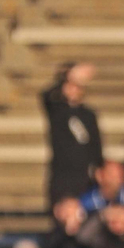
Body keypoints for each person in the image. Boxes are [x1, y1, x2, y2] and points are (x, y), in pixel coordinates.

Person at [43, 62, 102, 205]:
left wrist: (99, 167)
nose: (73, 90)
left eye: (77, 86)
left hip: (84, 176)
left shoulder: (88, 115)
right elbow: (46, 95)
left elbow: (96, 144)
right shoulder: (57, 111)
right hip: (62, 175)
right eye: (70, 86)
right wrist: (69, 75)